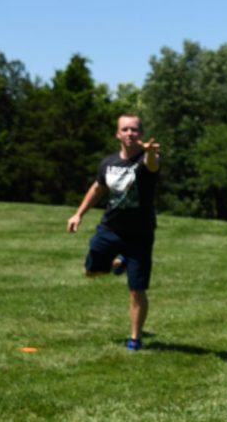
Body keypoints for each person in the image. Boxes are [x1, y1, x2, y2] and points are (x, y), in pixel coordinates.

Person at [67, 114, 161, 351]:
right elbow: (98, 188)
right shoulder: (108, 163)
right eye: (125, 130)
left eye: (135, 130)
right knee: (91, 271)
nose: (130, 133)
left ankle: (135, 339)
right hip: (110, 229)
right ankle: (119, 262)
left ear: (141, 134)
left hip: (140, 234)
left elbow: (153, 165)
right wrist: (78, 214)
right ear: (118, 134)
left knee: (136, 289)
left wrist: (149, 152)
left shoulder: (147, 159)